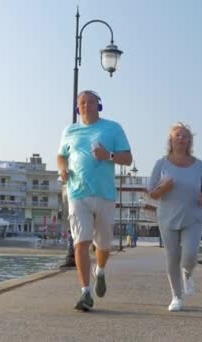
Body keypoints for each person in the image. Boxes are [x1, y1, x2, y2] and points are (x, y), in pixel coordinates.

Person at [57, 90, 132, 311]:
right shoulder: (69, 130)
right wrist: (63, 169)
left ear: (98, 106)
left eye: (90, 102)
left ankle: (100, 270)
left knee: (104, 244)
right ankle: (85, 293)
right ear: (77, 108)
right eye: (82, 103)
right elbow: (62, 155)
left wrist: (108, 156)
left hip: (105, 194)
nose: (86, 105)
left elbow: (127, 158)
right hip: (77, 193)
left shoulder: (113, 128)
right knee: (81, 241)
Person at [148, 122, 202, 312]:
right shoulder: (161, 163)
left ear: (190, 141)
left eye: (185, 136)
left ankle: (188, 273)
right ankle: (176, 296)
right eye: (178, 135)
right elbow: (152, 193)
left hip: (193, 215)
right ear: (171, 140)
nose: (181, 138)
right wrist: (163, 188)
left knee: (190, 254)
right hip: (167, 217)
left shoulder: (199, 165)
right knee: (172, 257)